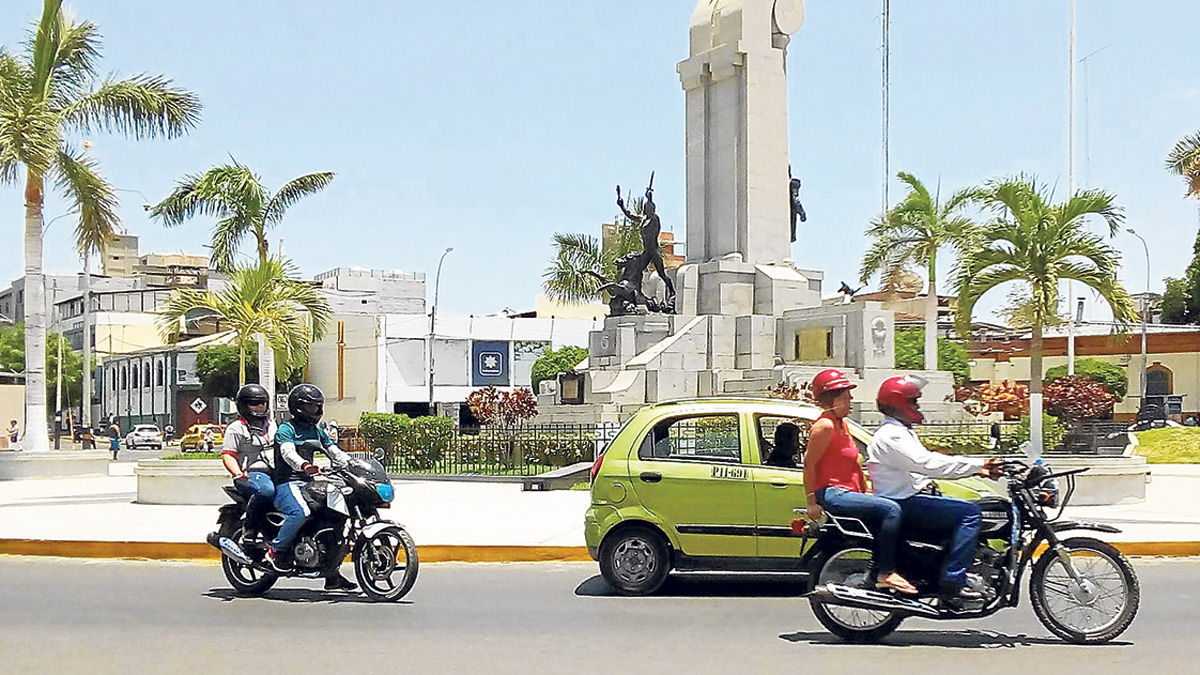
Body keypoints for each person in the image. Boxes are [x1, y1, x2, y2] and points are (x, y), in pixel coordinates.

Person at [866, 375, 1002, 602]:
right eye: (913, 402)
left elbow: (927, 461)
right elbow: (926, 464)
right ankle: (953, 581)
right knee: (970, 513)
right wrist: (977, 466)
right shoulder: (892, 435)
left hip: (910, 496)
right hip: (903, 501)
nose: (917, 407)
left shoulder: (901, 431)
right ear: (898, 403)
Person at [804, 369, 917, 595]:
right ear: (831, 399)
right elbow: (809, 465)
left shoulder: (841, 425)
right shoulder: (824, 427)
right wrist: (812, 502)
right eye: (845, 397)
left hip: (848, 491)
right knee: (891, 510)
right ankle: (885, 573)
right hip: (833, 493)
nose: (850, 401)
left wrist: (867, 492)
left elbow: (855, 463)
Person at [268, 383, 357, 591]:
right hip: (287, 482)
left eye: (317, 407)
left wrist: (352, 464)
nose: (314, 411)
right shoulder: (286, 429)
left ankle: (332, 573)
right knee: (300, 512)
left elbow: (334, 451)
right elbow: (288, 453)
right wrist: (305, 465)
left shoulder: (317, 430)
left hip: (310, 482)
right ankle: (276, 551)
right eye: (310, 407)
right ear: (297, 407)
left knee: (336, 514)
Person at [220, 384, 277, 544]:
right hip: (252, 473)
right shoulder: (236, 428)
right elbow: (228, 454)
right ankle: (249, 530)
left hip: (275, 471)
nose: (260, 407)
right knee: (266, 492)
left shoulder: (272, 425)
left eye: (262, 403)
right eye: (254, 403)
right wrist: (238, 473)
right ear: (243, 405)